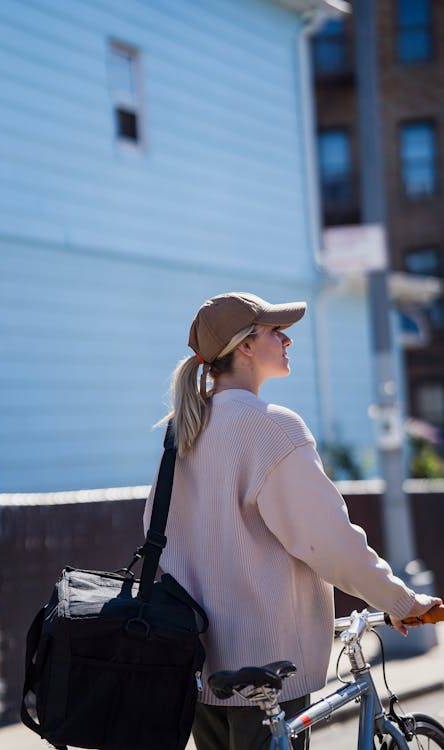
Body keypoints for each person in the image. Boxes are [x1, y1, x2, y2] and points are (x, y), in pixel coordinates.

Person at [143, 292, 441, 750]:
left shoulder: (181, 430)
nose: (288, 340)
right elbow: (328, 542)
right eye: (275, 332)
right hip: (265, 667)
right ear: (244, 346)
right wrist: (400, 601)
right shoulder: (271, 426)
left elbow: (157, 532)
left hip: (199, 670)